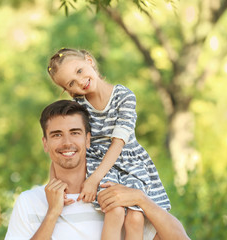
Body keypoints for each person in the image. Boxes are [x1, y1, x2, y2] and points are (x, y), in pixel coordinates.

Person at [5, 100, 190, 240]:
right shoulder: (28, 202)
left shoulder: (117, 196)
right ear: (45, 143)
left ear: (88, 140)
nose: (67, 142)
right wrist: (53, 213)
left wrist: (141, 199)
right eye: (57, 135)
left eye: (75, 133)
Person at [47, 48, 170, 240]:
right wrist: (54, 182)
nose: (80, 81)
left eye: (79, 71)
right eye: (72, 83)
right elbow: (64, 146)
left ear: (89, 61)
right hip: (98, 161)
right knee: (115, 212)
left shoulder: (124, 96)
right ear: (69, 91)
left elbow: (118, 143)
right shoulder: (79, 106)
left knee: (135, 218)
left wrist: (93, 180)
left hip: (128, 160)